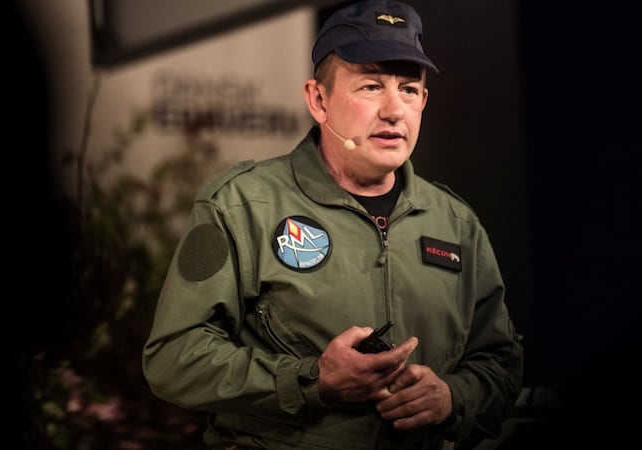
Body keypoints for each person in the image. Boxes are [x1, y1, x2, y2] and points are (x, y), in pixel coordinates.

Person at [142, 1, 524, 448]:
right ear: (318, 100)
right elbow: (172, 358)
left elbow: (500, 363)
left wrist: (451, 398)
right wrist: (312, 381)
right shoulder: (243, 205)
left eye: (408, 89)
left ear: (423, 101)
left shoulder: (456, 222)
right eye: (370, 86)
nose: (393, 110)